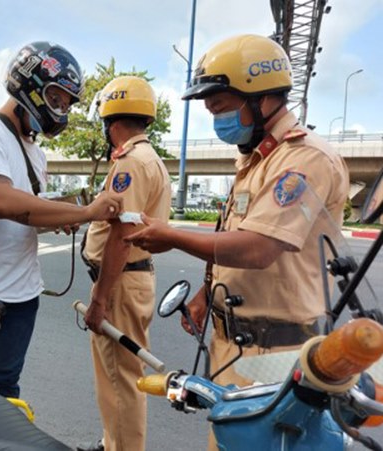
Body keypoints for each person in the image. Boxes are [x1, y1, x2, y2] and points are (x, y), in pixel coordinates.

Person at [124, 34, 349, 448]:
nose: (215, 119)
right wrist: (208, 293)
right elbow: (235, 238)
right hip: (233, 347)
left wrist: (171, 234)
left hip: (278, 353)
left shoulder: (304, 159)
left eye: (221, 107)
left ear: (262, 99)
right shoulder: (254, 159)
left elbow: (259, 247)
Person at [0, 41, 123, 399]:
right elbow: (1, 202)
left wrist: (61, 213)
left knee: (3, 390)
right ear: (28, 83)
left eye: (66, 103)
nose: (61, 109)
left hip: (20, 296)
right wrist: (85, 212)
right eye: (56, 97)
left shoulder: (36, 153)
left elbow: (28, 211)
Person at [78, 76, 171, 451]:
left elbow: (121, 235)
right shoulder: (151, 159)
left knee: (121, 383)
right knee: (119, 377)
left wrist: (100, 299)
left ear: (110, 122)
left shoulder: (130, 163)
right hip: (131, 279)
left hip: (118, 284)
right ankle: (110, 443)